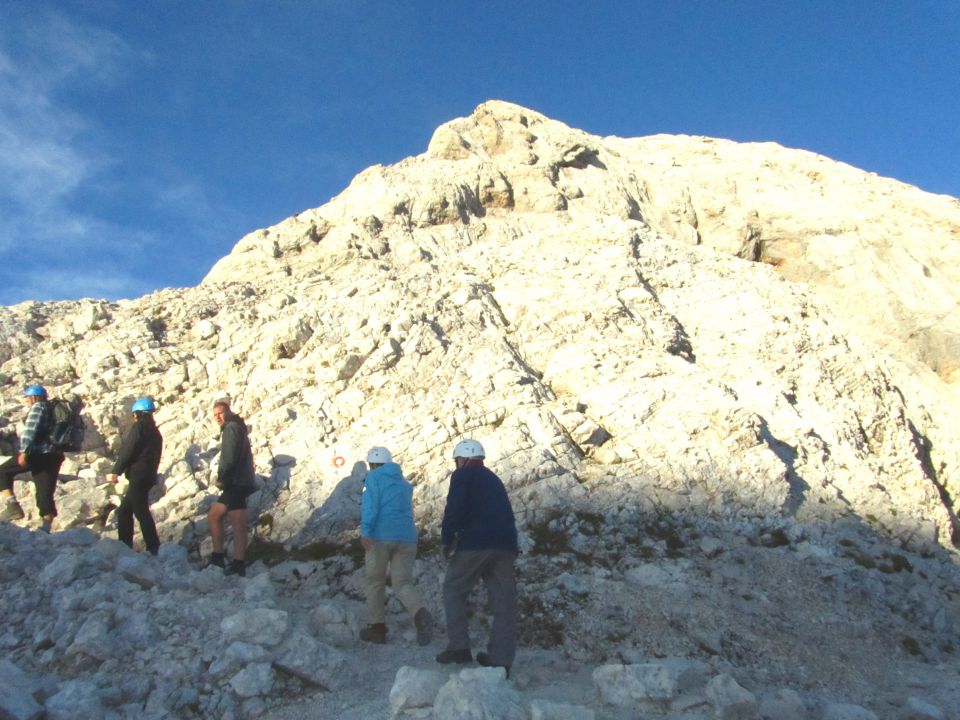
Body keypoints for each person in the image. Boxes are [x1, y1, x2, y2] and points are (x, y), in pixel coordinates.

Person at [436, 439, 518, 675]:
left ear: (463, 459)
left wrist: (447, 539)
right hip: (505, 544)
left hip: (475, 543)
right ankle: (501, 660)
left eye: (457, 461)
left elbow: (455, 508)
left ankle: (460, 647)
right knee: (504, 601)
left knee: (453, 588)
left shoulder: (462, 476)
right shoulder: (494, 478)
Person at [358, 446, 433, 646]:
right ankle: (420, 613)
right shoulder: (404, 483)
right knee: (402, 583)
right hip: (407, 537)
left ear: (372, 464)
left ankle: (377, 628)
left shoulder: (372, 479)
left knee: (375, 582)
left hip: (380, 536)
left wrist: (365, 531)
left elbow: (370, 507)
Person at [0, 385, 64, 532]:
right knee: (45, 491)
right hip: (54, 456)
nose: (26, 402)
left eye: (27, 398)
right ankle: (46, 525)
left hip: (38, 453)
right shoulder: (52, 409)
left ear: (33, 397)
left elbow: (30, 430)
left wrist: (24, 452)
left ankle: (12, 505)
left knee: (3, 471)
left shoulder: (38, 407)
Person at [107, 397, 163, 555]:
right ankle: (125, 546)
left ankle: (153, 547)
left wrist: (116, 470)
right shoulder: (155, 432)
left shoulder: (139, 427)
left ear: (137, 414)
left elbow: (128, 450)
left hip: (138, 476)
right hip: (148, 476)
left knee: (140, 511)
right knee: (125, 510)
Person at [207, 398, 256, 577]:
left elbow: (229, 456)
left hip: (235, 481)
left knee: (217, 516)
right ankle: (236, 562)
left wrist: (223, 477)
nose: (218, 417)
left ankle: (220, 557)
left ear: (228, 411)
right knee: (237, 519)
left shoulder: (231, 428)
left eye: (220, 413)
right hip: (241, 480)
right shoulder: (237, 426)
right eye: (215, 415)